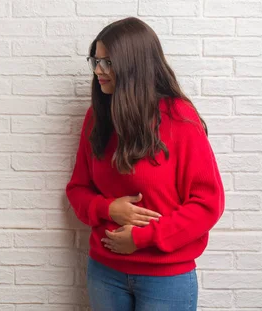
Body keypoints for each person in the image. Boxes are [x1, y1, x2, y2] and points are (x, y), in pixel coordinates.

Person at [65, 17, 225, 311]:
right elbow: (77, 189)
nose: (98, 71)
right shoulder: (97, 118)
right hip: (104, 272)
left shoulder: (180, 119)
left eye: (108, 63)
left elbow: (207, 204)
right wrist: (107, 208)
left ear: (134, 65)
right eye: (96, 61)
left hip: (165, 278)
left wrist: (142, 238)